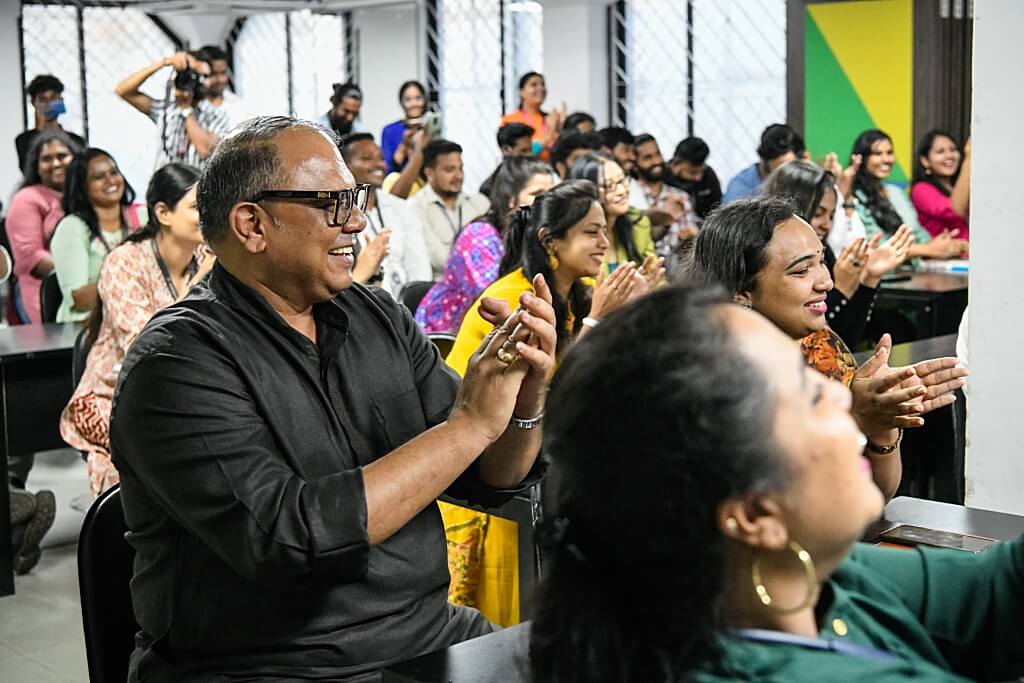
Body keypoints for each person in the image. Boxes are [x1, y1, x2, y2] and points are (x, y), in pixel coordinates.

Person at [109, 115, 555, 681]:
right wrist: (466, 425)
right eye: (333, 203)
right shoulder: (174, 362)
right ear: (252, 224)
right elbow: (288, 541)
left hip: (426, 633)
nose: (358, 221)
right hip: (269, 664)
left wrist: (524, 399)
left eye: (357, 199)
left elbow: (489, 478)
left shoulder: (377, 317)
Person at [530, 285, 1023, 683]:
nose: (841, 397)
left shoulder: (798, 573)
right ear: (755, 513)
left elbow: (993, 593)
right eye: (811, 395)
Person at [685, 197, 967, 500]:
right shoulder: (706, 374)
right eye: (801, 270)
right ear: (741, 291)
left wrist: (882, 428)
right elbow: (770, 505)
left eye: (821, 261)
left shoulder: (819, 345)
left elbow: (877, 494)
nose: (827, 281)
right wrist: (856, 420)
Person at [60, 163, 213, 498]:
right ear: (163, 213)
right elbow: (146, 348)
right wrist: (202, 280)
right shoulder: (123, 262)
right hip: (110, 397)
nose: (207, 214)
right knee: (167, 453)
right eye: (196, 207)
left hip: (182, 391)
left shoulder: (205, 255)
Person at [446, 180, 654, 375]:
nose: (604, 243)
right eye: (592, 233)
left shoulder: (584, 288)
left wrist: (630, 308)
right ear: (549, 241)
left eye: (604, 232)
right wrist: (596, 318)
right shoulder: (515, 300)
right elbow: (547, 391)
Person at [761, 160, 912, 347]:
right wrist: (841, 290)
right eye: (818, 214)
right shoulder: (768, 254)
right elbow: (811, 338)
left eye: (831, 215)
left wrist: (869, 279)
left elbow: (844, 345)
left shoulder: (825, 251)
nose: (827, 224)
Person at [415, 156, 554, 333]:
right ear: (511, 199)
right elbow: (496, 301)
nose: (548, 203)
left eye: (552, 194)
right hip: (446, 337)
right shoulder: (478, 236)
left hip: (505, 330)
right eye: (538, 195)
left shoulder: (541, 234)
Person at [51, 148, 144, 323]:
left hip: (139, 319)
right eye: (99, 177)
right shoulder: (72, 227)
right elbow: (78, 299)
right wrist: (130, 282)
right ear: (82, 186)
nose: (111, 181)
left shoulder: (142, 215)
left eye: (114, 172)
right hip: (86, 326)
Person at [851, 129, 967, 261]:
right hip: (880, 277)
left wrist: (939, 244)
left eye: (889, 153)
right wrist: (929, 249)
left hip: (911, 272)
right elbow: (878, 245)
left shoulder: (896, 193)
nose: (886, 159)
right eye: (877, 154)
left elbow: (917, 232)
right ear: (862, 158)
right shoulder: (855, 196)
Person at [338, 132, 431, 295]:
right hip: (361, 302)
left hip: (406, 306)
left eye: (381, 158)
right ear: (344, 165)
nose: (378, 164)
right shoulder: (336, 214)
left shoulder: (401, 208)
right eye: (367, 158)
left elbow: (419, 269)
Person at [7, 129, 80, 324]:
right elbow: (32, 257)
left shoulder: (84, 195)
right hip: (45, 296)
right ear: (36, 166)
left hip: (88, 293)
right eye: (47, 159)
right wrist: (78, 277)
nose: (56, 163)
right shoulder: (27, 199)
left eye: (62, 156)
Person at [115, 50, 231, 169]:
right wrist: (164, 63)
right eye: (189, 76)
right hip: (163, 184)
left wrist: (186, 110)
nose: (194, 82)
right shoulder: (167, 110)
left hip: (194, 186)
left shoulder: (216, 115)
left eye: (199, 76)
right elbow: (123, 91)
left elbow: (205, 150)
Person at [409, 139, 491, 279]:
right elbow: (438, 259)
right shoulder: (416, 207)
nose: (458, 176)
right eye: (450, 170)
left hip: (484, 285)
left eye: (461, 168)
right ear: (429, 173)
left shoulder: (480, 203)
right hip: (441, 289)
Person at [568, 152, 657, 275]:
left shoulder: (638, 223)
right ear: (588, 191)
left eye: (622, 180)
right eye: (609, 186)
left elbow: (656, 276)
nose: (621, 191)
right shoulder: (575, 238)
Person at [629, 133, 699, 253]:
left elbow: (691, 241)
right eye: (647, 157)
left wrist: (692, 237)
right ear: (635, 165)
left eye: (658, 154)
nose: (656, 161)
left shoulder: (680, 197)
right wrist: (664, 218)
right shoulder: (630, 197)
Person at [15, 74, 85, 173]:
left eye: (53, 98)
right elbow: (29, 171)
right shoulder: (24, 140)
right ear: (33, 103)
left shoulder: (76, 141)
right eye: (43, 99)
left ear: (61, 100)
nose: (48, 104)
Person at [910, 130, 970, 241]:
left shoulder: (957, 186)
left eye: (953, 150)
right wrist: (969, 160)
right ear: (925, 161)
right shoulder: (921, 189)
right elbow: (954, 211)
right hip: (943, 257)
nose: (949, 156)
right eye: (940, 152)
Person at [722, 123, 804, 204]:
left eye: (791, 168)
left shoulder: (803, 180)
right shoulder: (740, 189)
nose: (786, 177)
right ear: (763, 161)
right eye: (779, 171)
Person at [500, 72, 565, 159]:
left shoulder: (550, 119)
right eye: (533, 85)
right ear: (521, 92)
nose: (540, 88)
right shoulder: (511, 120)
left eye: (543, 84)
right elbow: (520, 155)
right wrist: (550, 133)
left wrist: (562, 128)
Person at [192, 45, 249, 130]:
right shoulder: (189, 104)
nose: (220, 80)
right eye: (214, 74)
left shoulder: (236, 104)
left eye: (223, 73)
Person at [667, 136, 722, 220]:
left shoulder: (708, 176)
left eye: (701, 171)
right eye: (692, 173)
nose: (698, 178)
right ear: (676, 164)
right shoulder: (661, 179)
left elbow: (716, 211)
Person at [380, 80, 428, 174]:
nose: (414, 104)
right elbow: (388, 169)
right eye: (408, 99)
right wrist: (404, 145)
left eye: (418, 98)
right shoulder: (390, 131)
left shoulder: (430, 129)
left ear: (424, 100)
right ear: (401, 103)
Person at [479, 123, 535, 197]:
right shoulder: (490, 188)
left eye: (530, 150)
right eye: (524, 151)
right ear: (506, 150)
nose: (530, 155)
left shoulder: (538, 175)